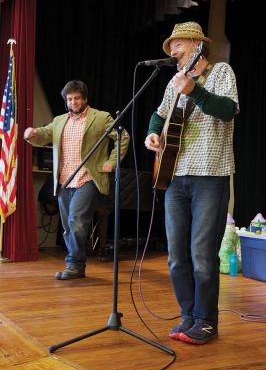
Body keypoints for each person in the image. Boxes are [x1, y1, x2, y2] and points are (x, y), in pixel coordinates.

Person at [144, 22, 239, 344]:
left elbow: (227, 110)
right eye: (171, 46)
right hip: (174, 176)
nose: (172, 50)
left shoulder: (221, 71)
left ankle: (207, 320)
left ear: (198, 45)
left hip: (210, 176)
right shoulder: (175, 82)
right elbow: (159, 115)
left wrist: (194, 90)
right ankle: (188, 315)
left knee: (202, 254)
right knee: (175, 255)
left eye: (178, 44)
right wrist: (152, 133)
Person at [24, 80, 130, 280]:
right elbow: (43, 135)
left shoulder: (100, 117)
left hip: (88, 178)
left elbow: (122, 136)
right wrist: (32, 134)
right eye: (69, 99)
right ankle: (78, 266)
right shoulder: (59, 120)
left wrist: (111, 162)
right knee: (68, 227)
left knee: (77, 221)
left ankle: (73, 264)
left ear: (85, 99)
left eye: (77, 98)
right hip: (64, 180)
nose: (73, 102)